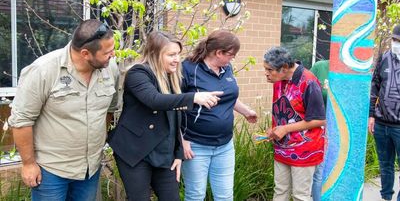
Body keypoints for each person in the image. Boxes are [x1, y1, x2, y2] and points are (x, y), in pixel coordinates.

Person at [8, 19, 118, 200]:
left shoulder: (109, 68)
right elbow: (21, 121)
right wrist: (28, 164)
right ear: (85, 53)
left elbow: (108, 111)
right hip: (52, 170)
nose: (113, 55)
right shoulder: (43, 70)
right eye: (107, 52)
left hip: (90, 170)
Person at [107, 31, 223, 201]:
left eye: (178, 54)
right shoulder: (138, 73)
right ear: (155, 54)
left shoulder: (172, 77)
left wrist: (178, 153)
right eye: (171, 55)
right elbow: (154, 100)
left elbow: (175, 120)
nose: (177, 59)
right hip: (135, 152)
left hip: (164, 153)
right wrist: (194, 97)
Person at [181, 30, 258, 201]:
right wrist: (182, 139)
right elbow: (176, 104)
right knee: (195, 195)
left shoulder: (226, 68)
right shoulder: (188, 68)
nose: (233, 58)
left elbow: (228, 97)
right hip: (195, 145)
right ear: (218, 53)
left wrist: (246, 111)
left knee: (225, 196)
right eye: (231, 54)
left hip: (225, 145)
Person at [263, 46, 326, 201]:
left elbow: (320, 119)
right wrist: (274, 130)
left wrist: (285, 128)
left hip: (305, 150)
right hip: (282, 148)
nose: (266, 73)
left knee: (300, 196)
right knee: (280, 191)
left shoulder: (309, 82)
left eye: (269, 69)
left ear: (284, 68)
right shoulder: (279, 80)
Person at [368, 24, 400, 201]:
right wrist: (371, 115)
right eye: (394, 40)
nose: (396, 43)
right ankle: (386, 197)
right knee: (385, 165)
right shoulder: (384, 58)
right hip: (381, 124)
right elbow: (375, 86)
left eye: (399, 41)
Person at [309, 60, 329, 201]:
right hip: (318, 126)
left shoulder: (352, 71)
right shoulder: (320, 67)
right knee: (319, 171)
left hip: (340, 129)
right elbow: (304, 90)